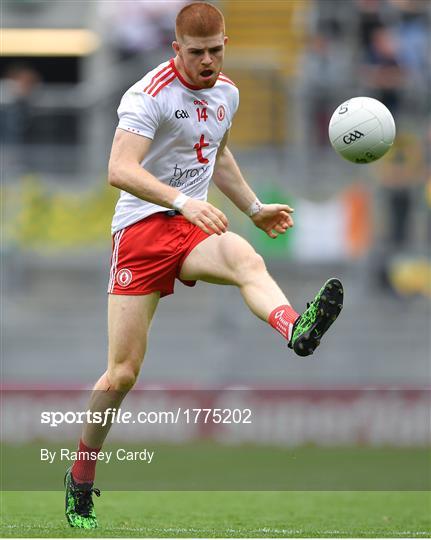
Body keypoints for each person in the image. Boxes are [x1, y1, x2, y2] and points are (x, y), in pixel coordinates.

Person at [64, 2, 343, 529]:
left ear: (225, 44)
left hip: (192, 227)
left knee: (244, 256)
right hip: (142, 232)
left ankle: (295, 329)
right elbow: (118, 169)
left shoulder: (226, 94)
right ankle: (80, 477)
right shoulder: (148, 94)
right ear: (177, 50)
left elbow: (218, 153)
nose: (208, 61)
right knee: (122, 373)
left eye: (216, 50)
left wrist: (254, 208)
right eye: (197, 53)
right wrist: (181, 199)